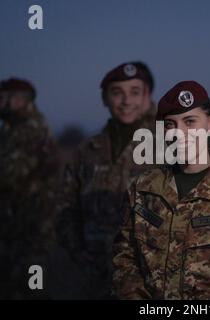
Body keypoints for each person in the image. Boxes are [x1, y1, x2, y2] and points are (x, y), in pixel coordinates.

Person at [112, 81, 210, 299]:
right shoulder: (143, 188)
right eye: (170, 124)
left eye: (190, 121)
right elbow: (124, 255)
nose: (179, 133)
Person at [55, 62, 156, 299]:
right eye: (117, 92)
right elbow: (65, 207)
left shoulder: (170, 144)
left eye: (134, 92)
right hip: (94, 275)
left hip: (149, 279)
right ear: (104, 99)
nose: (126, 101)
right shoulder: (87, 150)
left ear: (147, 96)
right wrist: (79, 253)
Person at [0, 78, 58, 299]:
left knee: (33, 280)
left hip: (34, 220)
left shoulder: (31, 130)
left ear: (24, 100)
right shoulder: (10, 130)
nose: (2, 103)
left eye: (7, 98)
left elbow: (10, 175)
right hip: (15, 219)